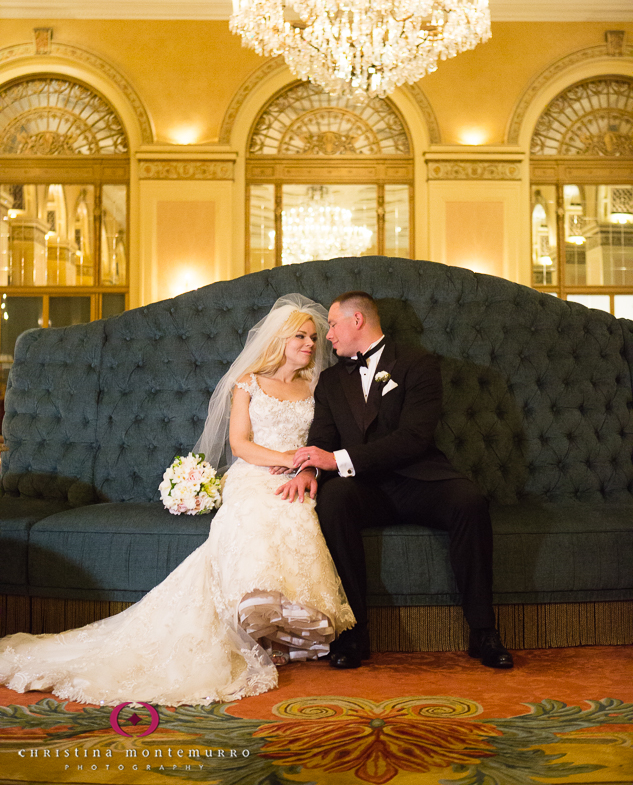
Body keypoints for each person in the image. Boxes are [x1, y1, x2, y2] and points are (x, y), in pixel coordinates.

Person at [0, 295, 354, 706]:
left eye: (313, 336)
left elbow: (326, 438)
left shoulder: (317, 386)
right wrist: (289, 460)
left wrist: (306, 467)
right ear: (278, 339)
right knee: (259, 516)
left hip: (299, 477)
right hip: (255, 475)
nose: (311, 343)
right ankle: (246, 624)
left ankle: (277, 631)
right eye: (300, 336)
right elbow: (240, 444)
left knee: (296, 518)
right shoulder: (249, 383)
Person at [284, 291, 513, 671]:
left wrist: (337, 459)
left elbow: (414, 438)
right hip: (363, 490)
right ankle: (353, 634)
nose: (328, 336)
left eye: (333, 325)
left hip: (418, 479)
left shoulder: (417, 363)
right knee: (334, 500)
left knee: (469, 500)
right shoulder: (328, 382)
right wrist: (309, 468)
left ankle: (483, 631)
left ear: (357, 321)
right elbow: (322, 439)